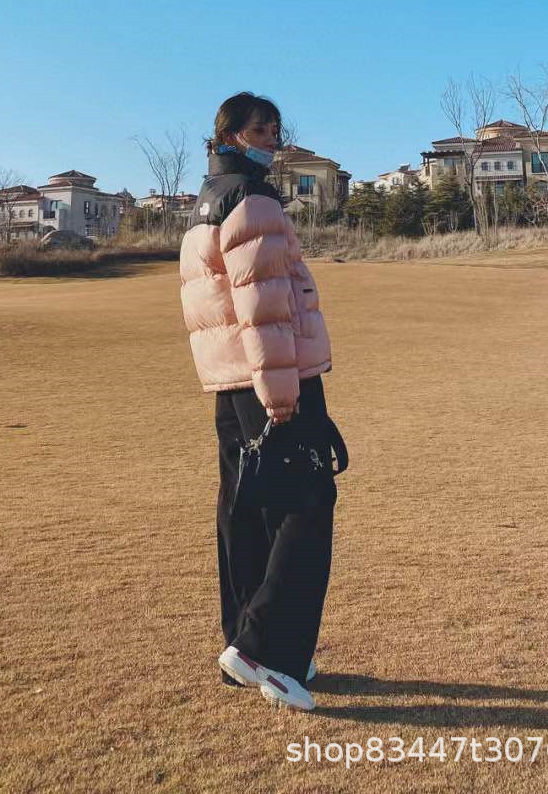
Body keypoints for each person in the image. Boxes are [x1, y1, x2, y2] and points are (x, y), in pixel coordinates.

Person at [179, 91, 337, 712]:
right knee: (307, 502)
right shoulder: (254, 199)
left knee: (246, 506)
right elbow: (262, 301)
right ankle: (266, 649)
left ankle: (242, 641)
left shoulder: (206, 199)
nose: (272, 139)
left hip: (229, 378)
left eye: (274, 129)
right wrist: (280, 391)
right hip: (271, 374)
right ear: (230, 135)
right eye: (260, 130)